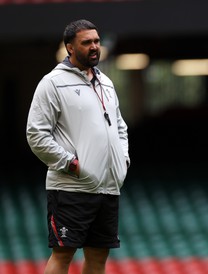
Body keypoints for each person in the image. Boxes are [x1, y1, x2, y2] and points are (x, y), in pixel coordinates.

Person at [26, 19, 130, 274]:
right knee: (63, 254)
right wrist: (71, 164)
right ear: (70, 48)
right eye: (87, 43)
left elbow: (120, 127)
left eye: (96, 41)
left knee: (98, 255)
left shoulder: (106, 82)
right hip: (71, 186)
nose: (94, 47)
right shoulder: (52, 83)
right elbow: (36, 134)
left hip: (108, 186)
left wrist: (122, 162)